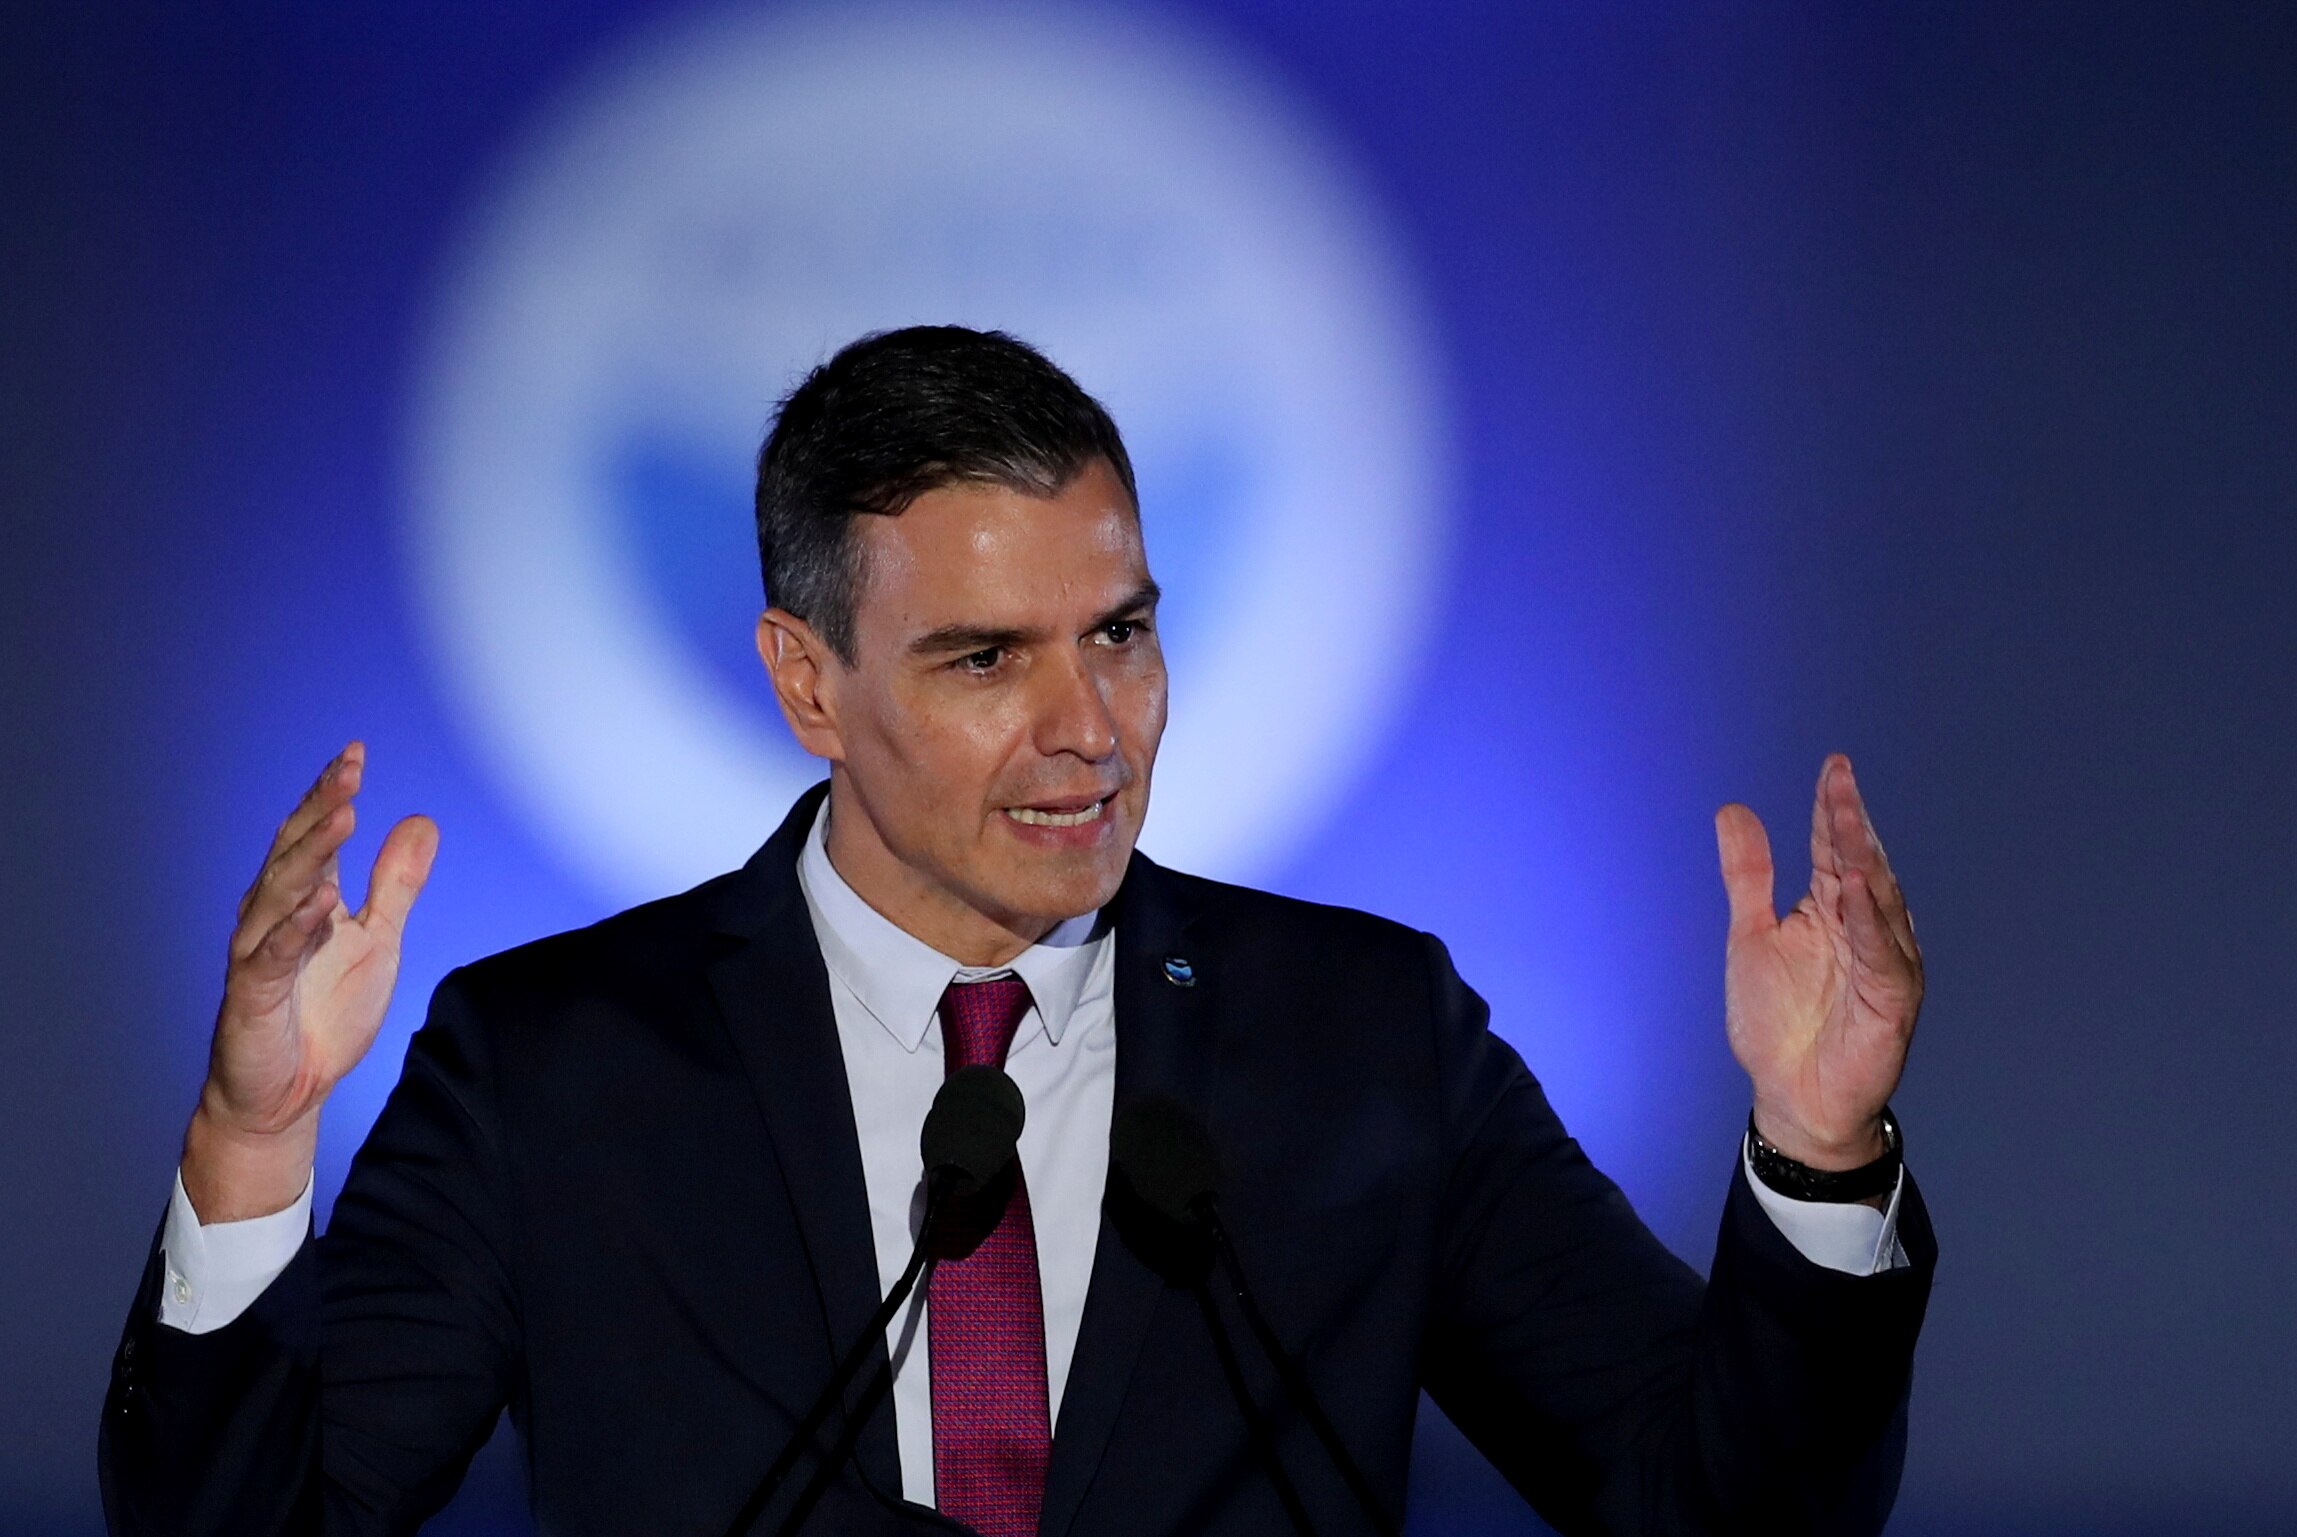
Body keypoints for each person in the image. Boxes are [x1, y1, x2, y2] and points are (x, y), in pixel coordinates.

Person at [100, 326, 1934, 1537]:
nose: (1089, 728)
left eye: (1119, 633)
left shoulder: (1364, 1034)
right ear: (807, 684)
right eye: (985, 658)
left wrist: (1815, 1151)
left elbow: (1720, 1509)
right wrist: (253, 1142)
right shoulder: (554, 1063)